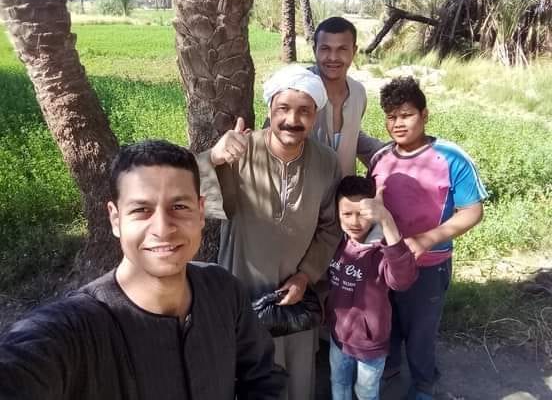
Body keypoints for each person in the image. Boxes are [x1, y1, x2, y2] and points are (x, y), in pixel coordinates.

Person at [0, 140, 286, 400]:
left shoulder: (223, 290)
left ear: (201, 212)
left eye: (179, 206)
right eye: (141, 210)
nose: (162, 228)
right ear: (115, 219)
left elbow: (263, 377)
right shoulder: (76, 330)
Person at [198, 64, 342, 400]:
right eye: (283, 108)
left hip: (294, 293)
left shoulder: (327, 162)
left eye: (304, 111)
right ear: (270, 110)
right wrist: (214, 158)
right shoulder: (240, 150)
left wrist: (305, 276)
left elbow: (330, 228)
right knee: (246, 373)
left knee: (296, 377)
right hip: (242, 287)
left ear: (315, 116)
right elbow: (189, 197)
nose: (293, 119)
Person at [369, 77, 488, 399]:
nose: (398, 123)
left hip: (429, 264)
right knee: (386, 323)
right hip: (385, 262)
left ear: (424, 114)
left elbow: (472, 211)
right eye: (391, 116)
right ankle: (387, 371)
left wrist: (426, 239)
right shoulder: (380, 159)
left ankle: (423, 385)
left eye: (406, 115)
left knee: (420, 332)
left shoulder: (451, 157)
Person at [326, 175, 417, 400]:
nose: (354, 222)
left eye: (362, 214)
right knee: (339, 383)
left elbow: (403, 280)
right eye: (347, 214)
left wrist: (386, 220)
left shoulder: (383, 249)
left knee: (366, 391)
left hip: (370, 343)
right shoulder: (335, 242)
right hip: (338, 336)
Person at [310, 16, 383, 176]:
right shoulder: (297, 89)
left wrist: (389, 152)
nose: (333, 57)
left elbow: (351, 135)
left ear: (354, 51)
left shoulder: (358, 92)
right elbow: (272, 138)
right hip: (304, 190)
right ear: (315, 49)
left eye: (342, 49)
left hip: (346, 189)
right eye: (325, 48)